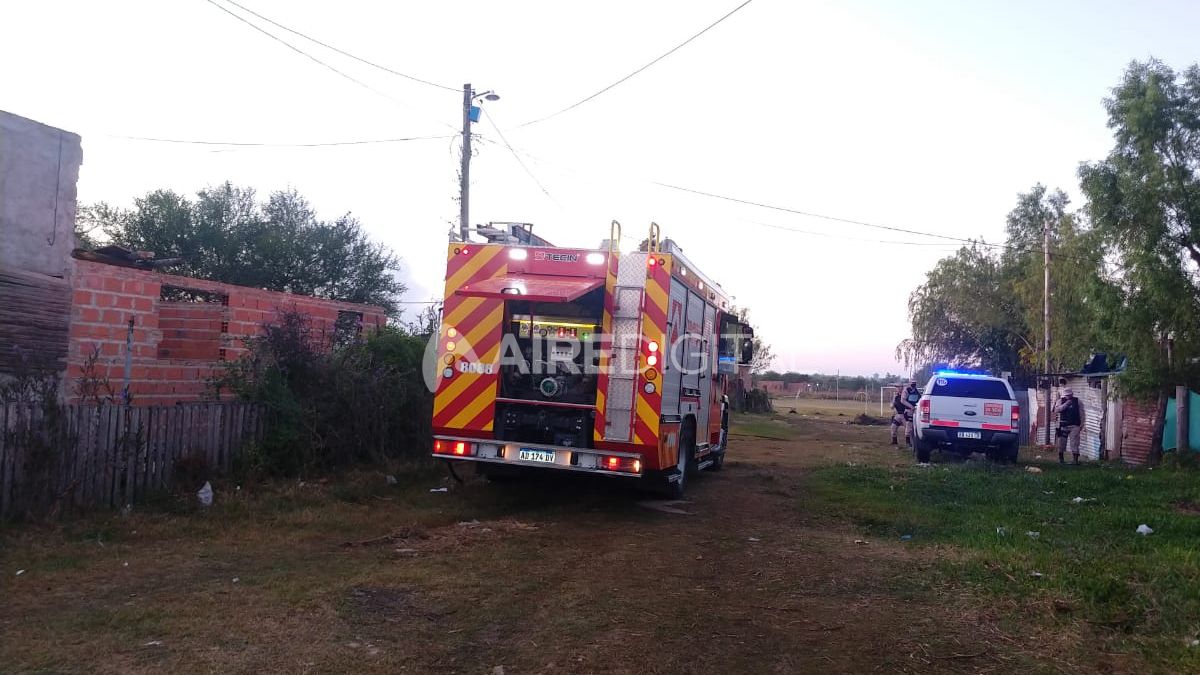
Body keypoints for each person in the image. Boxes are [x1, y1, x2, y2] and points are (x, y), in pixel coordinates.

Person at [1054, 387, 1085, 464]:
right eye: (1067, 395)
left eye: (1069, 395)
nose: (1068, 397)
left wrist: (1082, 424)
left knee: (1074, 442)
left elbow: (1082, 413)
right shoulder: (1060, 401)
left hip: (1075, 425)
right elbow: (1056, 410)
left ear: (1072, 394)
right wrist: (1065, 405)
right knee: (1061, 442)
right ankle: (1061, 459)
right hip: (1063, 425)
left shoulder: (1078, 401)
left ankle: (1075, 460)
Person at [899, 379, 921, 444]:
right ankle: (908, 441)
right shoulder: (906, 390)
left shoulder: (916, 391)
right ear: (909, 383)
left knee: (914, 426)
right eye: (912, 383)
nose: (914, 384)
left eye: (915, 383)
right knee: (909, 425)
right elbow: (902, 400)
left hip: (915, 410)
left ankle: (913, 440)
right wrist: (911, 407)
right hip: (909, 410)